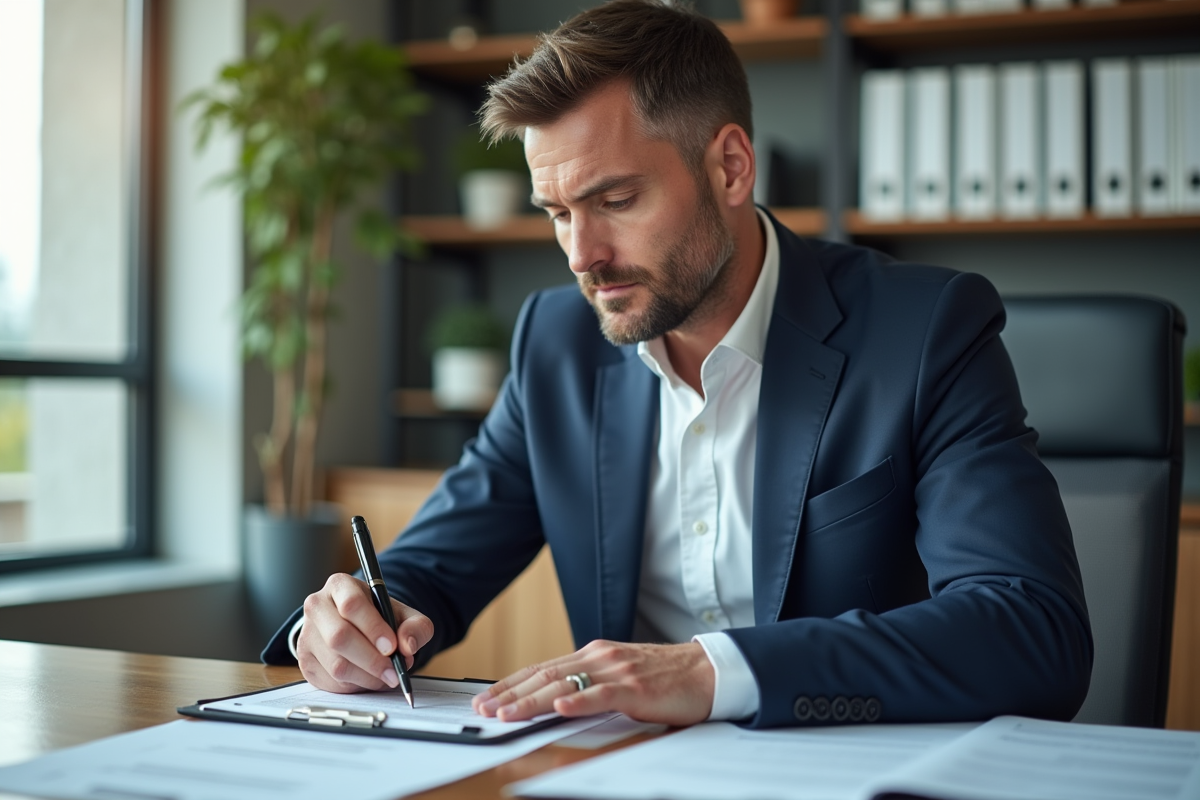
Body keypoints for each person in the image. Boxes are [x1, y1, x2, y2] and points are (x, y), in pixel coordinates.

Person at [263, 0, 1092, 729]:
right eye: (556, 213)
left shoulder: (923, 331)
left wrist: (710, 670)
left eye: (616, 201)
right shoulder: (555, 341)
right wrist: (351, 625)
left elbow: (1029, 630)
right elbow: (431, 567)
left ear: (730, 166)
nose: (582, 255)